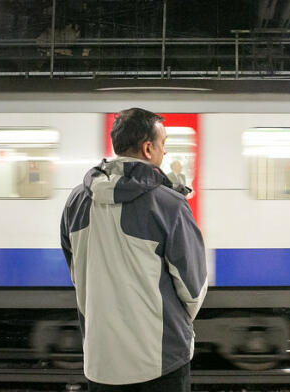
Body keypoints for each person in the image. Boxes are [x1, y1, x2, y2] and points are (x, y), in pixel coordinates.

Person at [60, 108, 208, 392]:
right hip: (160, 362)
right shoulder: (169, 204)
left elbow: (76, 271)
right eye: (163, 145)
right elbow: (193, 289)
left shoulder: (76, 202)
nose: (164, 153)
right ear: (148, 148)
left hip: (101, 363)